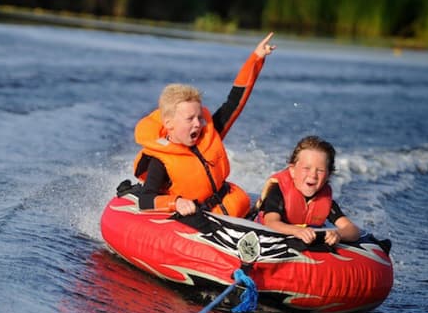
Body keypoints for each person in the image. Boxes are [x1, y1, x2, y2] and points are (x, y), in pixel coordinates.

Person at [132, 32, 276, 220]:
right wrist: (176, 203)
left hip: (234, 207)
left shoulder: (209, 134)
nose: (198, 124)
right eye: (189, 119)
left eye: (199, 117)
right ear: (169, 124)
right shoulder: (159, 161)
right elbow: (145, 200)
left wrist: (256, 59)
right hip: (203, 220)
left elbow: (234, 102)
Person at [255, 135, 361, 246]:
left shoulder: (325, 200)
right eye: (306, 168)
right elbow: (271, 222)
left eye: (320, 170)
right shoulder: (278, 191)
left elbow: (353, 230)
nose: (313, 175)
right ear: (292, 170)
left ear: (328, 175)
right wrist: (296, 231)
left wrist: (338, 234)